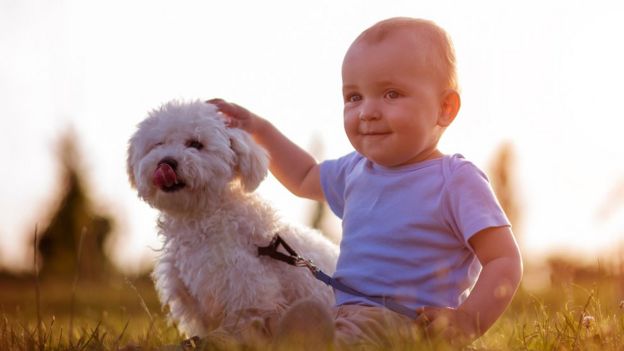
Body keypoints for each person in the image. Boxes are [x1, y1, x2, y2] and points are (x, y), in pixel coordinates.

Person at [209, 17, 522, 349]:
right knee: (259, 326)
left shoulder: (456, 180)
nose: (367, 112)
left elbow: (504, 260)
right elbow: (303, 177)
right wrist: (259, 129)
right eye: (354, 97)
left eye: (391, 94)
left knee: (342, 337)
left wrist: (467, 320)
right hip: (340, 313)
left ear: (445, 108)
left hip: (405, 322)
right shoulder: (355, 170)